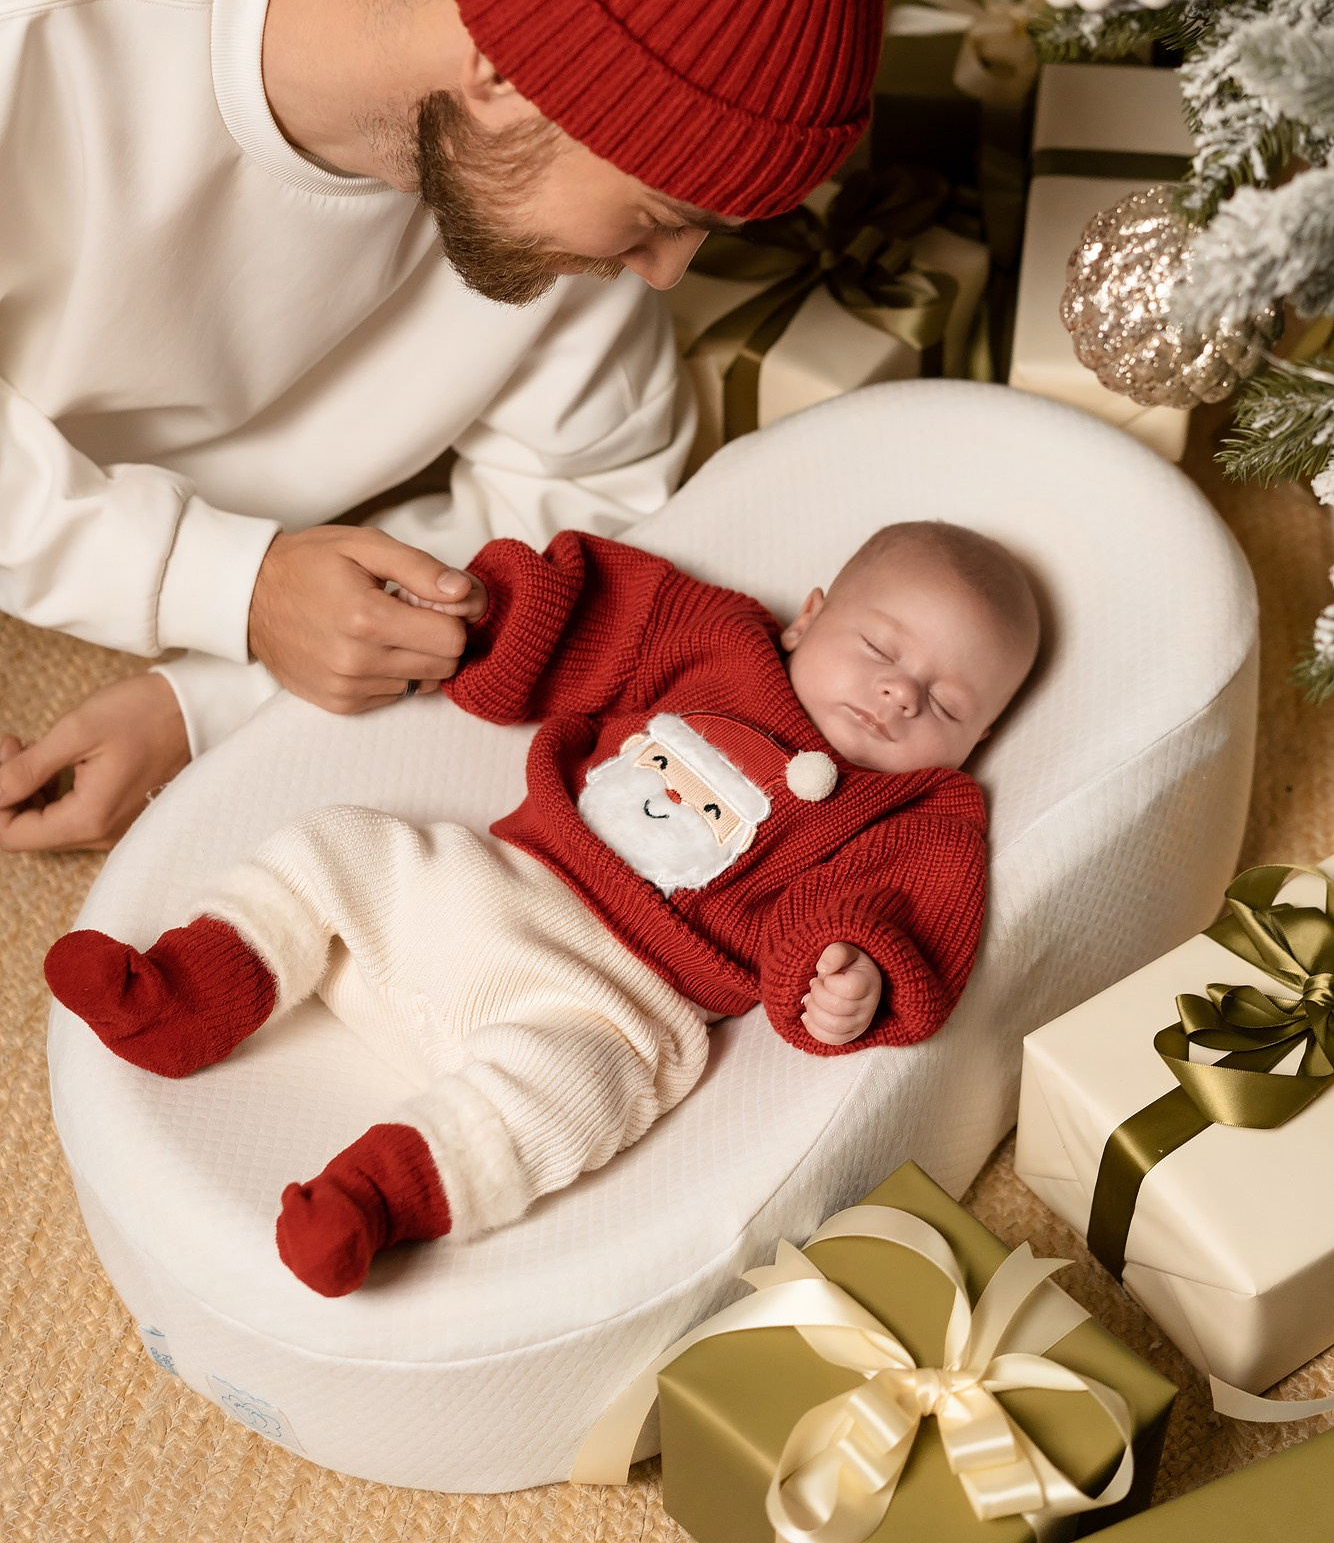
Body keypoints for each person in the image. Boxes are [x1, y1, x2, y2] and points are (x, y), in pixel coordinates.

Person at [0, 0, 884, 854]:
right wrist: (219, 582)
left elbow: (585, 511)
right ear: (505, 74)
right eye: (658, 213)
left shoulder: (534, 134)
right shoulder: (31, 0)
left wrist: (206, 700)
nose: (666, 274)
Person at [45, 519, 1040, 1296]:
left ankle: (380, 1193)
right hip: (490, 882)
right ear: (807, 614)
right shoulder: (714, 642)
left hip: (616, 1003)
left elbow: (897, 913)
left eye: (947, 705)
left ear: (980, 737)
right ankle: (190, 987)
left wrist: (847, 968)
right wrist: (496, 616)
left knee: (568, 1094)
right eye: (878, 645)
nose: (898, 694)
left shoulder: (920, 812)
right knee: (339, 844)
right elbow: (590, 615)